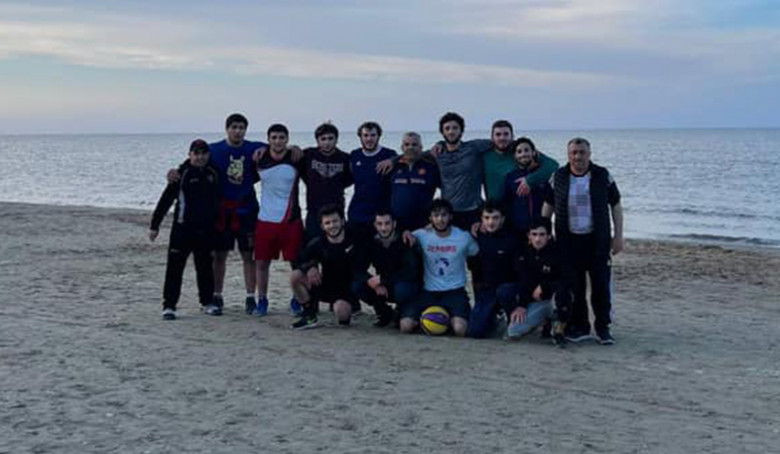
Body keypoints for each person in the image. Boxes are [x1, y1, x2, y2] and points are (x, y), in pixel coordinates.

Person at [167, 113, 265, 314]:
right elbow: (194, 161)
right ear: (227, 129)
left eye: (241, 128)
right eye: (234, 127)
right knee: (219, 255)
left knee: (249, 255)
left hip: (247, 210)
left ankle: (250, 297)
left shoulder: (253, 148)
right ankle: (217, 295)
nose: (237, 131)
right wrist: (175, 172)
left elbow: (279, 149)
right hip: (222, 212)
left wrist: (293, 149)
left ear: (246, 130)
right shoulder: (214, 149)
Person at [542, 137, 624, 345]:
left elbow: (616, 206)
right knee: (575, 288)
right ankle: (580, 327)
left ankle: (603, 328)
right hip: (568, 241)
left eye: (582, 152)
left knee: (600, 286)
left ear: (589, 154)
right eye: (574, 152)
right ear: (568, 154)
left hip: (597, 241)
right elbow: (548, 206)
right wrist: (544, 232)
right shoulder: (558, 176)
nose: (578, 156)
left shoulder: (602, 175)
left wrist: (618, 236)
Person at [150, 139, 221, 320]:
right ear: (190, 155)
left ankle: (207, 302)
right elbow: (165, 200)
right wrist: (154, 225)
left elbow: (220, 201)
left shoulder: (214, 173)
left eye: (203, 153)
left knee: (205, 268)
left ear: (208, 155)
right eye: (196, 153)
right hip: (182, 229)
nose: (200, 157)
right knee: (175, 268)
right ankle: (169, 306)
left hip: (206, 230)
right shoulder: (181, 174)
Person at [252, 124, 306, 316]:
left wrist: (296, 148)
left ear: (287, 139)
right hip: (265, 219)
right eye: (274, 137)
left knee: (296, 264)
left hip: (291, 220)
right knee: (261, 263)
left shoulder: (296, 158)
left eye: (281, 137)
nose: (278, 141)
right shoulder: (259, 157)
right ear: (268, 140)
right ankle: (262, 301)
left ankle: (297, 299)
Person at [404, 199, 479, 336]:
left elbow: (477, 252)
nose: (440, 219)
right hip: (429, 292)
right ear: (430, 218)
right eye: (436, 215)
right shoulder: (422, 235)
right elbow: (405, 237)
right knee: (405, 326)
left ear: (451, 217)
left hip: (455, 292)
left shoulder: (463, 237)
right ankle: (431, 321)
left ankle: (445, 320)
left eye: (444, 215)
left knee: (460, 329)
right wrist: (406, 232)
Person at [289, 205, 360, 330]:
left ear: (342, 221)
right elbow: (298, 259)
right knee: (295, 276)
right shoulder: (318, 242)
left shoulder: (354, 239)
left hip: (346, 289)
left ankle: (348, 309)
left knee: (342, 314)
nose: (332, 226)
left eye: (335, 221)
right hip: (324, 284)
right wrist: (310, 267)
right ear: (322, 226)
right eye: (327, 223)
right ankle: (309, 315)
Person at [496, 218, 563, 345]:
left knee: (563, 294)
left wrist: (545, 286)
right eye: (534, 234)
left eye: (542, 235)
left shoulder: (557, 253)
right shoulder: (522, 252)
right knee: (513, 331)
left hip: (549, 300)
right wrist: (521, 305)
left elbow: (567, 279)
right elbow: (523, 280)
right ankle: (514, 318)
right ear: (529, 235)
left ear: (549, 236)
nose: (537, 239)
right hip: (529, 299)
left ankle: (554, 324)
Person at [352, 211, 421, 327]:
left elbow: (411, 271)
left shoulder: (405, 240)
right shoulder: (371, 242)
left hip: (406, 286)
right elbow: (358, 269)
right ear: (375, 225)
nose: (383, 228)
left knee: (402, 290)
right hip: (384, 286)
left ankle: (401, 311)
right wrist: (373, 282)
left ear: (394, 223)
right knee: (357, 285)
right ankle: (384, 311)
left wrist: (383, 279)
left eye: (387, 223)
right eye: (379, 224)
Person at [468, 201, 520, 339]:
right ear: (481, 219)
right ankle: (494, 318)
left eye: (495, 218)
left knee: (505, 292)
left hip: (509, 290)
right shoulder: (477, 237)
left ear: (503, 219)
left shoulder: (513, 239)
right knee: (475, 331)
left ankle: (511, 318)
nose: (491, 222)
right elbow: (474, 269)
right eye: (487, 218)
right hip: (488, 290)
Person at [300, 123, 353, 241]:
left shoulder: (345, 158)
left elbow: (349, 180)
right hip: (314, 211)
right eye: (323, 139)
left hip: (336, 212)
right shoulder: (308, 155)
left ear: (336, 139)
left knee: (337, 245)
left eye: (330, 138)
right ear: (317, 141)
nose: (327, 142)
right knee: (312, 245)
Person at [347, 122, 397, 244]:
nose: (369, 139)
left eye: (373, 135)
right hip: (357, 213)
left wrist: (394, 160)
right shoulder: (355, 155)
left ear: (379, 136)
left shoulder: (389, 155)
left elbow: (410, 156)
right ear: (360, 137)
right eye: (365, 135)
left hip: (381, 216)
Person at [484, 122, 559, 202]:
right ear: (492, 138)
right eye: (498, 134)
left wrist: (530, 180)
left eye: (506, 134)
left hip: (517, 204)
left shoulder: (519, 151)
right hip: (493, 207)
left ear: (512, 136)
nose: (502, 138)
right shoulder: (485, 155)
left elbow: (553, 165)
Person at [501, 137, 558, 235]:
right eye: (519, 152)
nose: (523, 154)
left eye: (526, 150)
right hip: (517, 230)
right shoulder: (511, 177)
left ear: (534, 152)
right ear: (515, 156)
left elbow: (551, 199)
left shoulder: (544, 174)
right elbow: (507, 203)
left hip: (540, 231)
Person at [389, 132, 441, 232]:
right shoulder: (393, 167)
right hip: (397, 225)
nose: (410, 147)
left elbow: (446, 189)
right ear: (402, 147)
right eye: (407, 144)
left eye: (414, 144)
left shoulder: (431, 167)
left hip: (425, 225)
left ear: (421, 147)